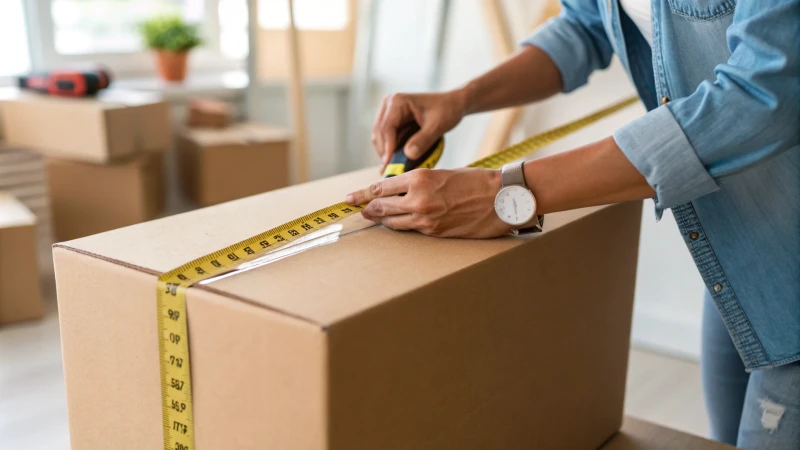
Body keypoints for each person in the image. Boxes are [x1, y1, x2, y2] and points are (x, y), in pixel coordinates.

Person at [344, 1, 799, 448]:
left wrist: (505, 194)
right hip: (744, 243)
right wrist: (461, 99)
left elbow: (762, 95)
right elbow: (584, 26)